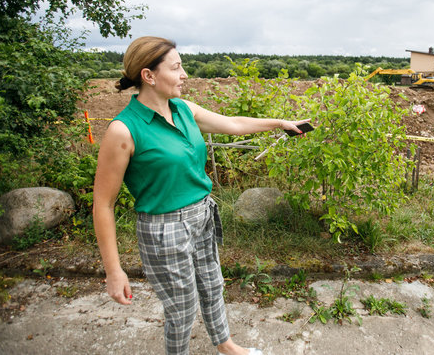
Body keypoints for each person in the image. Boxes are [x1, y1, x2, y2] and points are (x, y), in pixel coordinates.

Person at [93, 36, 308, 355]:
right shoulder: (123, 130)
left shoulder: (182, 109)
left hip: (202, 215)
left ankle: (226, 346)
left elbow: (233, 124)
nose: (185, 75)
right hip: (163, 230)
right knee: (181, 311)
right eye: (177, 67)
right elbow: (103, 204)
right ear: (149, 76)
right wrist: (114, 271)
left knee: (212, 287)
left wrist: (279, 123)